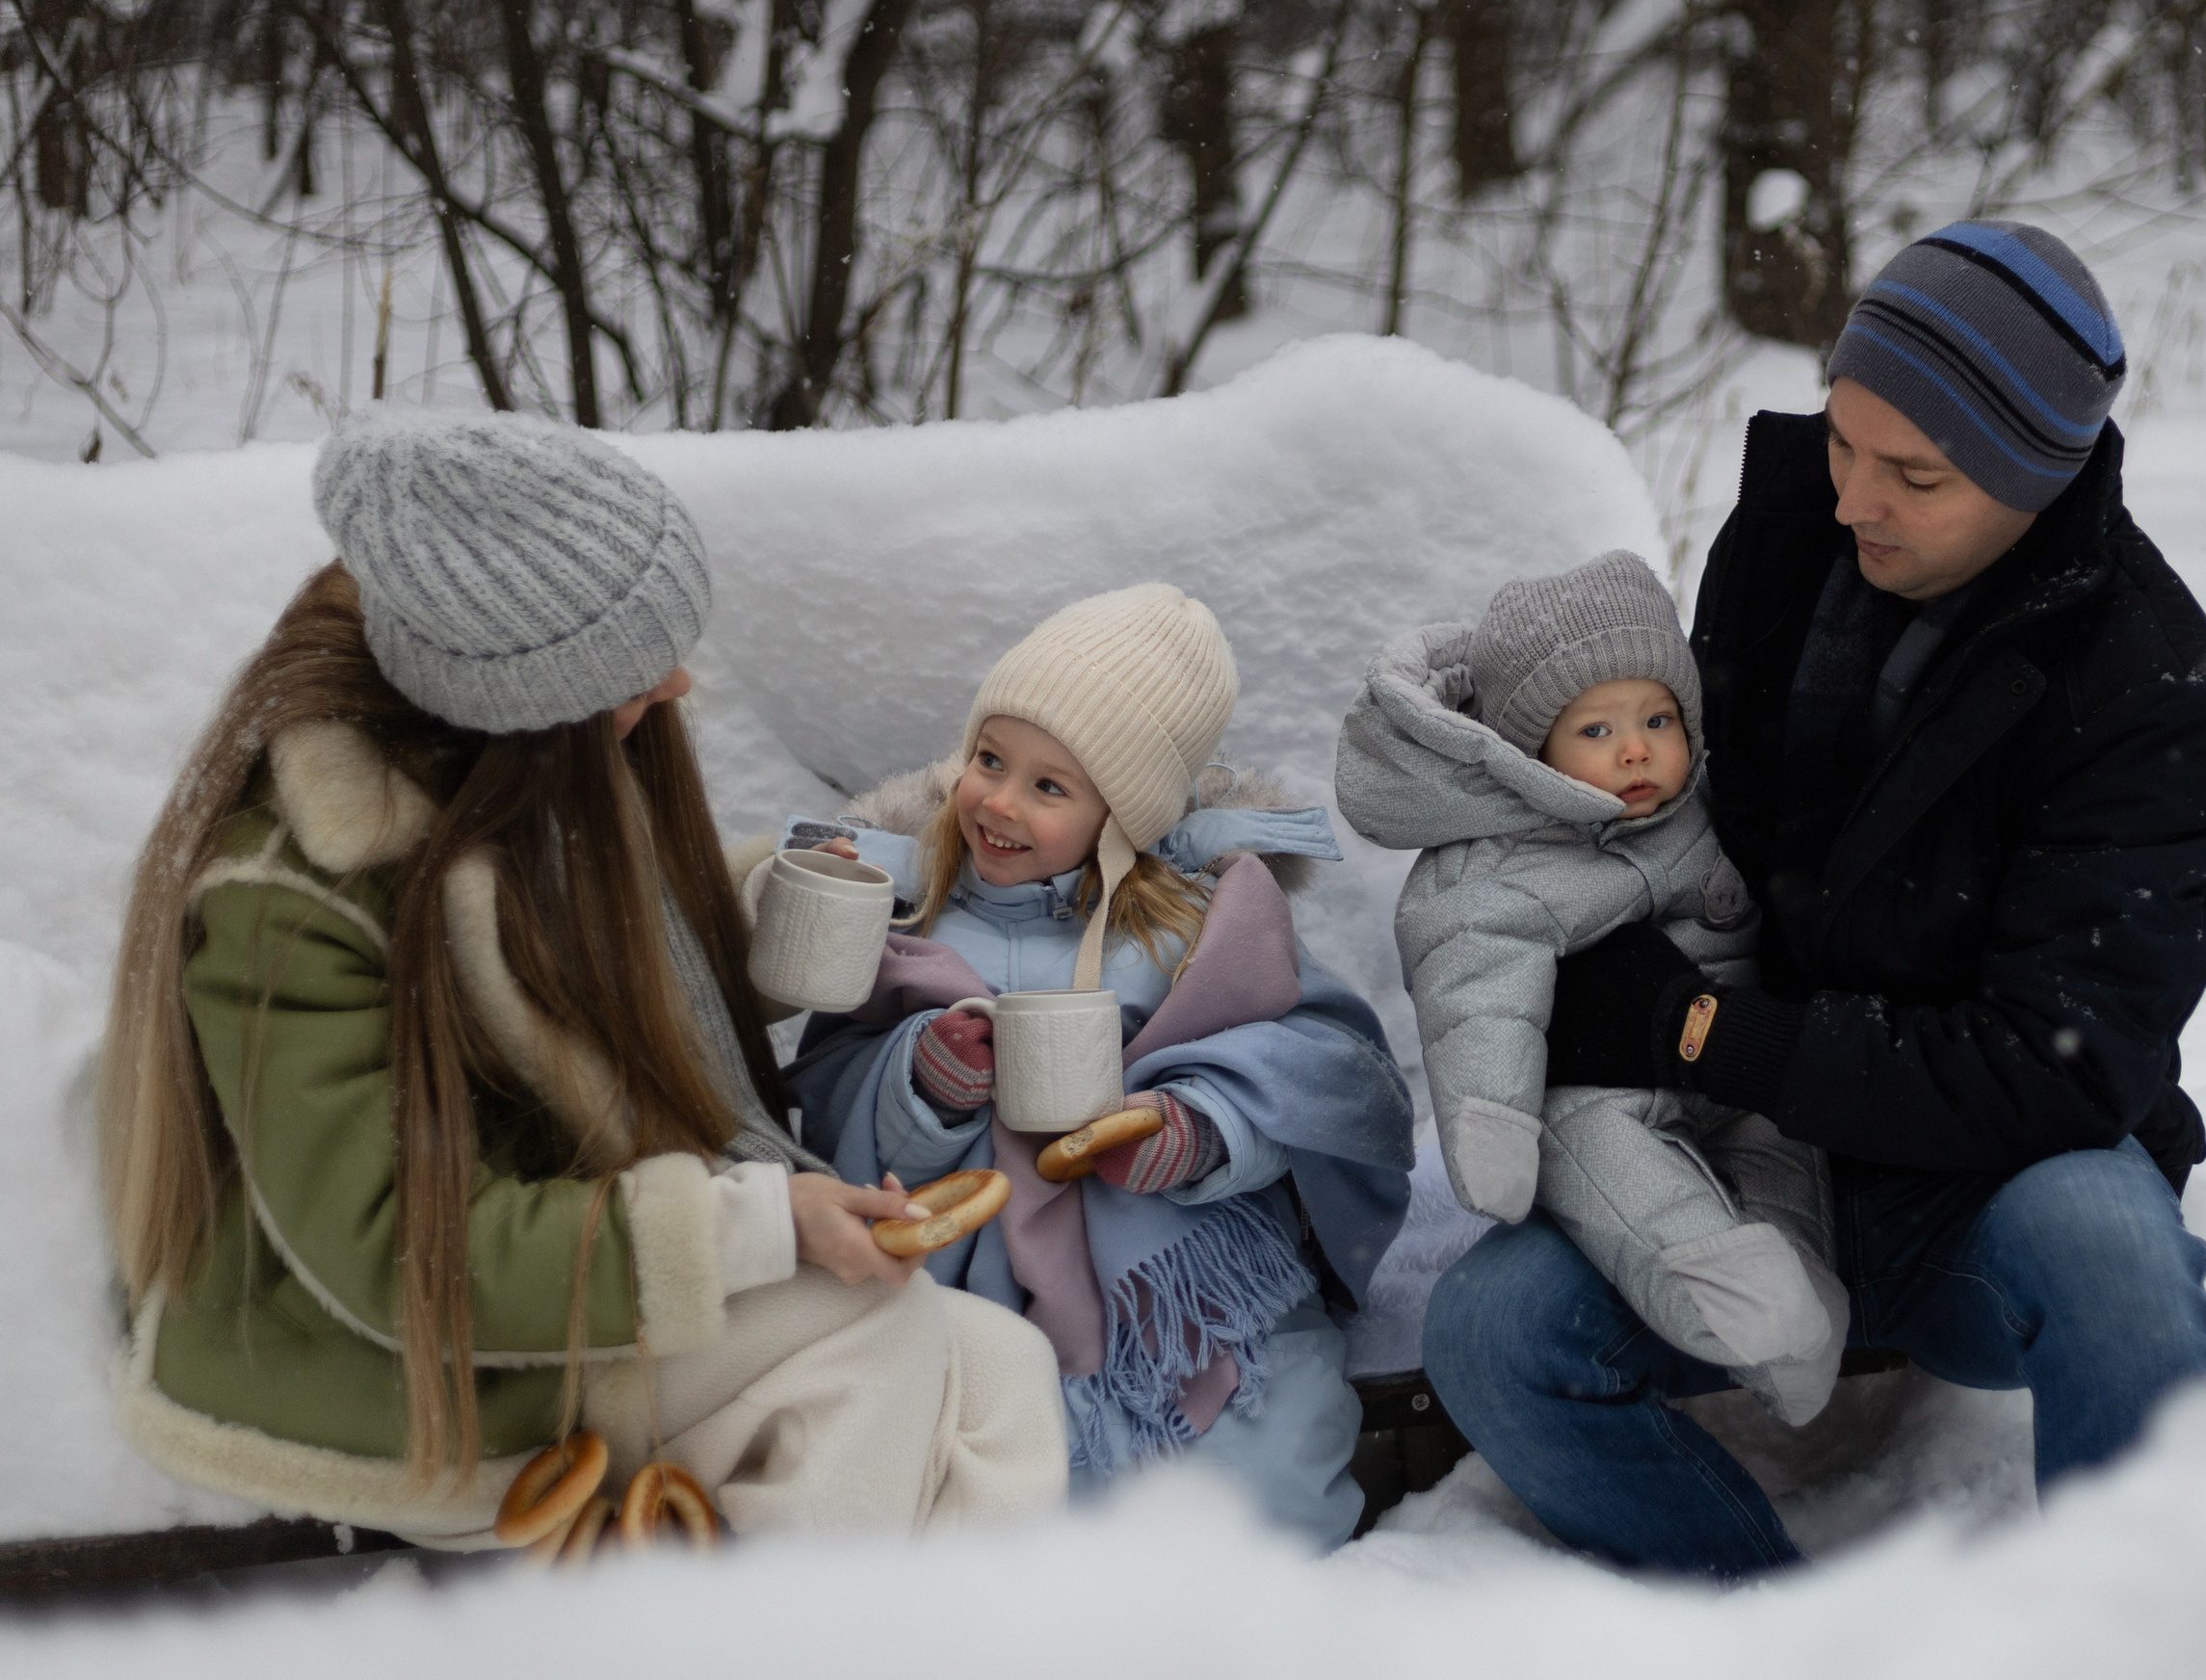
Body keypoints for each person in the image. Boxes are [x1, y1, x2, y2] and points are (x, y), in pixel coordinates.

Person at [1423, 220, 2206, 1578]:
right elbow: (1679, 821)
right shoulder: (1791, 535)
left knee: (2111, 1249)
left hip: (1980, 1194)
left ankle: (2158, 1626)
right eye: (1844, 440)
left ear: (2035, 476)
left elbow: (2060, 1067)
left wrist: (1703, 1033)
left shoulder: (2147, 688)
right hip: (1731, 1168)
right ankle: (1771, 1625)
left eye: (1913, 474)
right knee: (1493, 1334)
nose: (1855, 496)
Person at [98, 409, 1067, 1547]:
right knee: (876, 1338)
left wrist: (767, 918)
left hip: (572, 1276)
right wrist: (754, 1226)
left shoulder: (517, 756)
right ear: (524, 699)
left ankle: (942, 1632)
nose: (677, 680)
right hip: (401, 1363)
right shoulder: (292, 898)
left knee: (1001, 1369)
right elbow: (391, 1254)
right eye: (633, 670)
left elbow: (572, 975)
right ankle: (736, 1629)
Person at [786, 585, 1417, 1552]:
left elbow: (1328, 1073)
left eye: (1050, 787)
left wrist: (1201, 1132)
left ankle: (1238, 1592)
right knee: (963, 1490)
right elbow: (826, 1093)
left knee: (1258, 1477)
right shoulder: (910, 916)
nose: (1000, 801)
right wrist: (924, 1086)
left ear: (1124, 812)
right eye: (989, 760)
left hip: (1172, 1273)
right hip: (966, 1271)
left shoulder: (1197, 930)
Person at [1335, 550, 1845, 1427]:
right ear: (1533, 752)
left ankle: (1797, 1300)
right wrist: (1492, 1127)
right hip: (1594, 1095)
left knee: (1780, 1157)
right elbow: (1476, 995)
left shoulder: (1710, 805)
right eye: (1597, 731)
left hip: (1733, 1064)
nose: (1637, 749)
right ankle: (1729, 1298)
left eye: (1658, 718)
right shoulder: (1495, 864)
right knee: (1620, 1178)